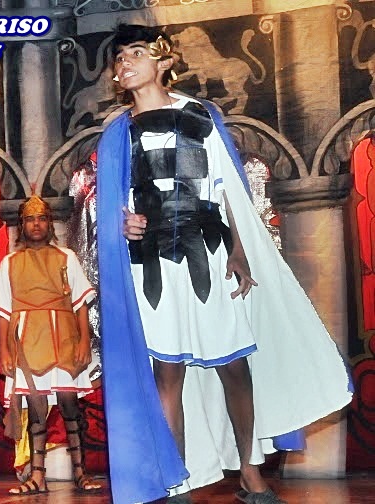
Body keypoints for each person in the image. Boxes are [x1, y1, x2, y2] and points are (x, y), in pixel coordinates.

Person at [95, 24, 352, 504]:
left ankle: (251, 474)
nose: (124, 63)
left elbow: (228, 187)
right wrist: (121, 224)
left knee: (234, 366)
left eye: (135, 53)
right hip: (151, 265)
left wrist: (239, 249)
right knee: (167, 373)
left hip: (209, 253)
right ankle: (177, 482)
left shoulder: (200, 116)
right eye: (120, 57)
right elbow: (113, 203)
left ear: (164, 62)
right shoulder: (116, 134)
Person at [0, 195, 101, 495]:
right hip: (27, 343)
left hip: (63, 339)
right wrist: (3, 350)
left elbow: (80, 304)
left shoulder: (67, 257)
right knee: (36, 411)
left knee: (69, 405)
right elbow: (3, 311)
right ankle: (38, 476)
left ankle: (81, 473)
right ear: (22, 225)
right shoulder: (10, 263)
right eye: (30, 219)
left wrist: (85, 341)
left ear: (49, 224)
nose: (36, 224)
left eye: (41, 219)